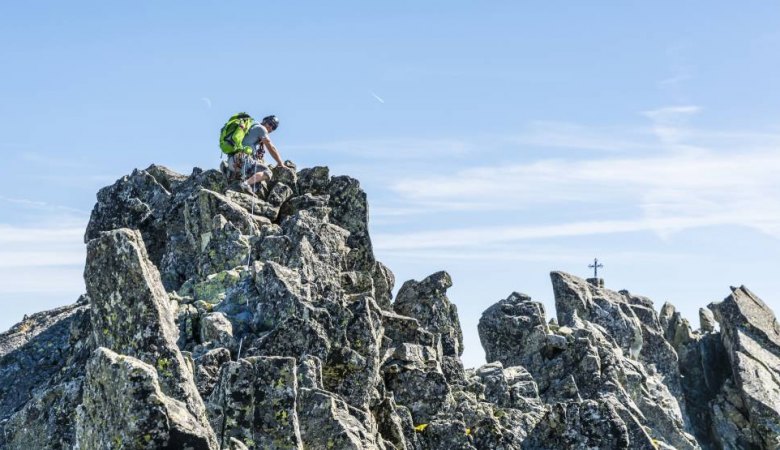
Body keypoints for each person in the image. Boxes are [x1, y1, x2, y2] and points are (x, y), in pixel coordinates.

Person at [225, 115, 286, 193]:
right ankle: (244, 185)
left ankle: (230, 174)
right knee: (267, 172)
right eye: (270, 124)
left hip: (232, 161)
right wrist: (280, 163)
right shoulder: (261, 129)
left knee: (256, 180)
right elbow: (271, 148)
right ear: (264, 121)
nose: (271, 128)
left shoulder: (251, 127)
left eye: (274, 128)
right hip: (242, 160)